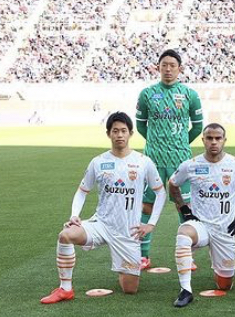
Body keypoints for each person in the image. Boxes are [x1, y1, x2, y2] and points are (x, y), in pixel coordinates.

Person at [40, 113, 166, 304]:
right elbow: (82, 191)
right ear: (109, 134)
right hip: (101, 224)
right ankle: (65, 289)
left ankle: (124, 267)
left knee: (130, 289)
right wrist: (74, 215)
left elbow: (160, 192)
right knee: (66, 235)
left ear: (130, 133)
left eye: (123, 131)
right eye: (115, 131)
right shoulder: (98, 162)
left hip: (128, 231)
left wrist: (151, 224)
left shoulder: (143, 162)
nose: (119, 135)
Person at [167, 124, 235, 307]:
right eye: (209, 138)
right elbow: (173, 184)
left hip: (225, 229)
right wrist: (184, 209)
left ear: (224, 140)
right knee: (184, 233)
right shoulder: (191, 165)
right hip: (200, 225)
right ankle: (186, 290)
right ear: (203, 140)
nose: (213, 142)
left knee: (225, 285)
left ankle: (219, 264)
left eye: (218, 138)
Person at [135, 49, 203, 270]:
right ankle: (143, 256)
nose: (168, 69)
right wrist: (155, 143)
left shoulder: (190, 94)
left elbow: (198, 127)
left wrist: (180, 144)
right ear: (158, 67)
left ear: (179, 69)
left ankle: (187, 255)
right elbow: (140, 125)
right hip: (153, 160)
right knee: (147, 205)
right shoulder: (147, 94)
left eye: (172, 65)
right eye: (164, 65)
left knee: (184, 206)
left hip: (180, 160)